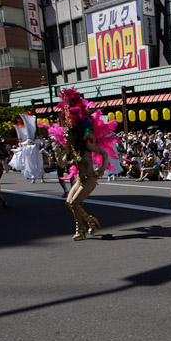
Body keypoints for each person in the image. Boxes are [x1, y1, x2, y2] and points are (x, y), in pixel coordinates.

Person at [44, 88, 117, 240]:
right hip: (79, 180)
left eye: (68, 133)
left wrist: (101, 170)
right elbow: (62, 164)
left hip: (90, 178)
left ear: (74, 134)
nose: (65, 135)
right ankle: (91, 222)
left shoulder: (85, 146)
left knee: (76, 203)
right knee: (69, 203)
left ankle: (81, 230)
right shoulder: (70, 149)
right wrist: (57, 150)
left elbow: (104, 153)